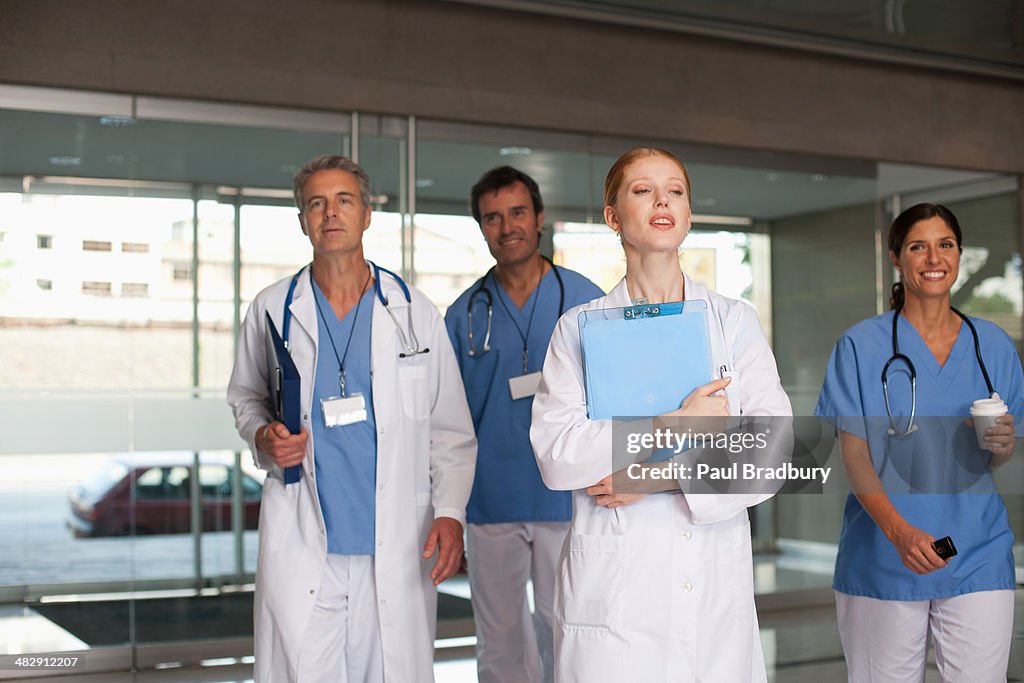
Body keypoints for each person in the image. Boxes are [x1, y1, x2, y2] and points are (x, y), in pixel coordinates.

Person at [530, 148, 791, 682]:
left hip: (711, 589)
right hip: (614, 595)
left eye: (675, 190)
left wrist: (653, 477)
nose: (662, 200)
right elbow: (557, 456)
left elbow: (775, 450)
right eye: (643, 190)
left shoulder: (733, 321)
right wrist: (669, 425)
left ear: (689, 213)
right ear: (612, 216)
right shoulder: (577, 328)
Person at [226, 154, 476, 683]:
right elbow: (246, 398)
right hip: (304, 536)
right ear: (302, 221)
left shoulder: (414, 311)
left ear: (367, 215)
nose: (330, 213)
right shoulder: (273, 308)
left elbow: (450, 430)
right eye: (316, 203)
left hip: (396, 540)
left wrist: (450, 512)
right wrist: (263, 437)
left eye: (344, 201)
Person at [816, 203, 1023, 682]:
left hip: (978, 549)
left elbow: (997, 456)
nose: (934, 257)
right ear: (896, 257)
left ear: (959, 254)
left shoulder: (991, 345)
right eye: (918, 246)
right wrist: (899, 533)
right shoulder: (860, 346)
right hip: (882, 556)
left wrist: (1002, 442)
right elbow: (855, 453)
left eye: (945, 244)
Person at [445, 166, 603, 683]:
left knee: (568, 630)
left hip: (567, 496)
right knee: (499, 639)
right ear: (481, 227)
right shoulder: (464, 314)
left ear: (539, 219)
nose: (506, 226)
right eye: (492, 217)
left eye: (516, 213)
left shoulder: (585, 300)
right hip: (491, 500)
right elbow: (449, 420)